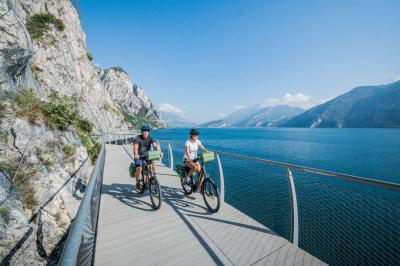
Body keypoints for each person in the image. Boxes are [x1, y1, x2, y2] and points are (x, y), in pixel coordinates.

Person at [133, 125, 162, 191]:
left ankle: (154, 177)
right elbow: (135, 147)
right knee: (139, 168)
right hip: (139, 156)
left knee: (153, 163)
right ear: (141, 132)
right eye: (144, 131)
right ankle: (137, 183)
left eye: (147, 131)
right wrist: (136, 154)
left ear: (148, 132)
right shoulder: (138, 138)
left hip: (147, 156)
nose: (145, 133)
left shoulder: (150, 138)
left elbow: (155, 145)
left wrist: (159, 152)